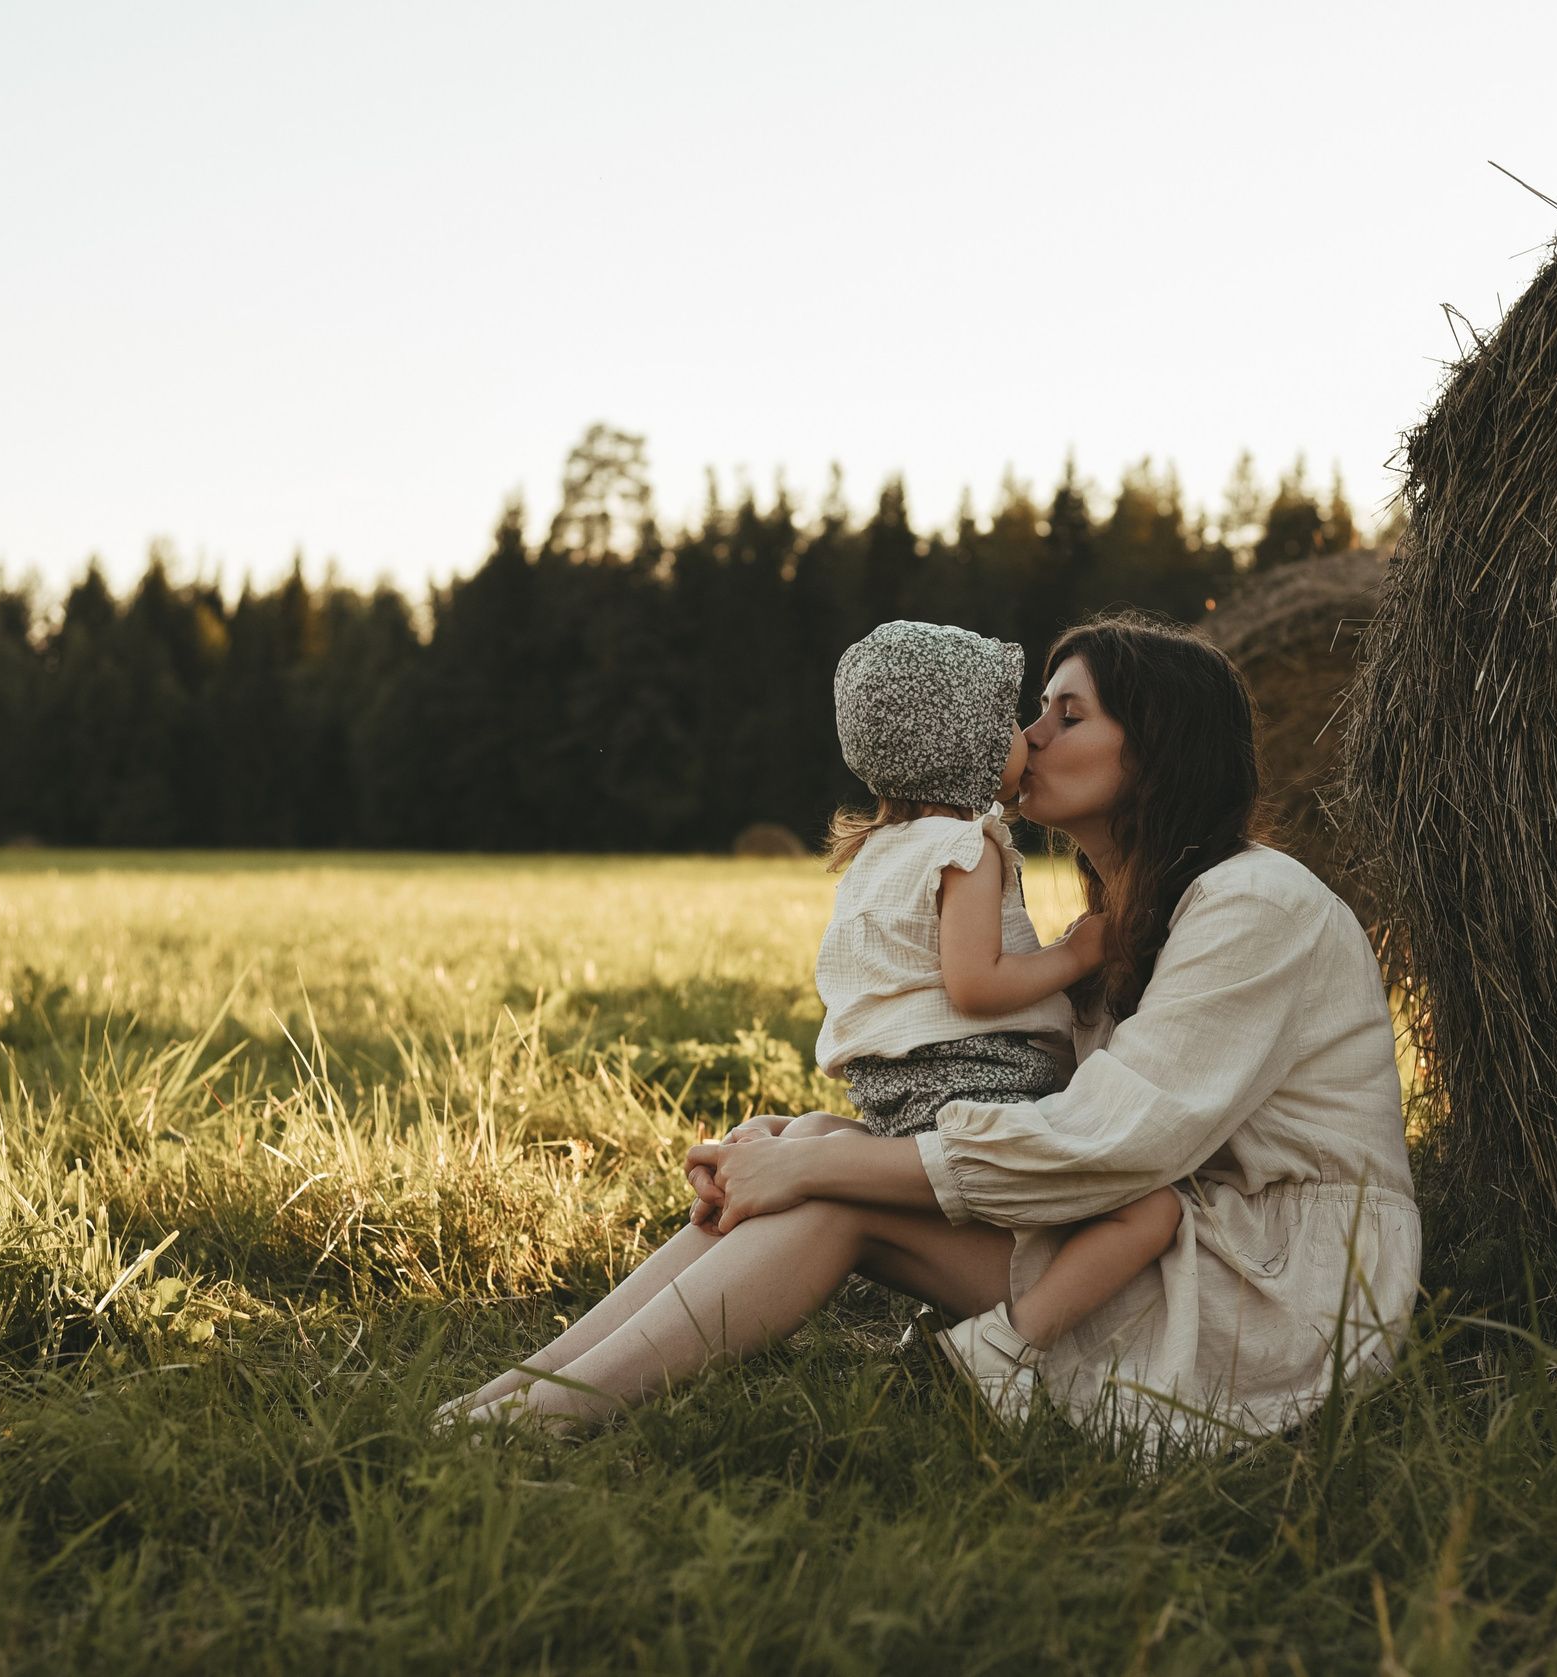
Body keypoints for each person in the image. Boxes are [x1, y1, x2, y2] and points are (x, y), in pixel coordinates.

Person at [439, 611, 1418, 1447]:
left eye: (1065, 714)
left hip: (1269, 1293)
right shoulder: (1116, 918)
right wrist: (800, 1145)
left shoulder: (1255, 903)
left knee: (831, 1192)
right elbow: (1053, 1122)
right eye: (1035, 709)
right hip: (1150, 1243)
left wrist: (821, 1169)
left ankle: (542, 1418)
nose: (1027, 737)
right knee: (819, 1147)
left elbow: (1112, 1142)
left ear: (1157, 748)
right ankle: (506, 1394)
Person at [708, 619, 1182, 1406]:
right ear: (960, 746)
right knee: (1151, 1208)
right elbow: (975, 985)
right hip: (977, 1091)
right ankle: (1011, 1348)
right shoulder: (970, 846)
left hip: (897, 1098)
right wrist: (1076, 953)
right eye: (1006, 723)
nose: (1026, 737)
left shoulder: (878, 853)